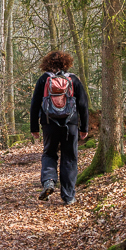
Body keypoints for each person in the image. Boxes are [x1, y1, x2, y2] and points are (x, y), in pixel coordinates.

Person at [30, 50, 89, 206]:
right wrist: (84, 127)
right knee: (69, 158)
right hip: (71, 125)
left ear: (47, 64)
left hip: (49, 124)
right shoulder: (73, 79)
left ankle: (49, 181)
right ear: (66, 63)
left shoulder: (44, 80)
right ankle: (69, 196)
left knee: (49, 153)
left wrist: (34, 127)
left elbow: (35, 104)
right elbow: (83, 105)